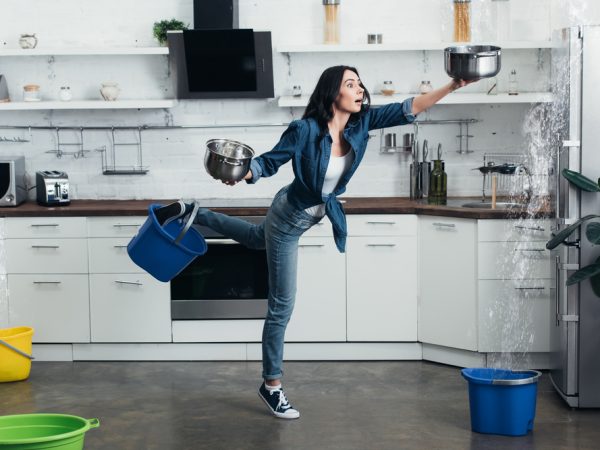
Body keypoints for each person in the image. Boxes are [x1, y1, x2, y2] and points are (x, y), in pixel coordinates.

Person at [155, 65, 475, 419]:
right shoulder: (305, 129)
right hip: (289, 217)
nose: (359, 89)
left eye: (360, 83)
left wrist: (453, 85)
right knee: (282, 305)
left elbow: (410, 107)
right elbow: (269, 162)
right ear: (331, 93)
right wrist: (244, 173)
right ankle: (271, 385)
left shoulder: (362, 123)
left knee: (252, 237)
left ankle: (191, 210)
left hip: (312, 215)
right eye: (350, 84)